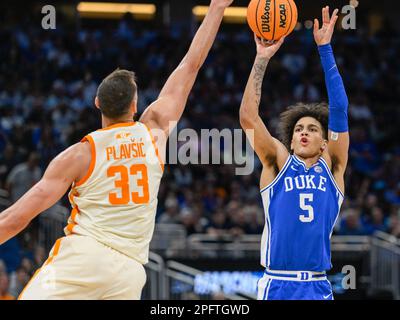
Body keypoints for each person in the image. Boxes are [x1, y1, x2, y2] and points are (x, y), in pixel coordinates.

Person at [0, 0, 234, 300]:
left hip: (84, 258)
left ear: (97, 103)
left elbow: (18, 218)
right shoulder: (154, 133)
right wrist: (216, 8)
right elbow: (191, 65)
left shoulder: (79, 154)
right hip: (129, 270)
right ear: (135, 106)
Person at [240, 7, 349, 300]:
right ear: (290, 141)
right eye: (299, 128)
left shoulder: (333, 167)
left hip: (318, 285)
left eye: (313, 129)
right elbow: (248, 118)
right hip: (277, 283)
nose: (303, 132)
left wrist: (325, 49)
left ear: (325, 143)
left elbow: (339, 110)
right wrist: (261, 59)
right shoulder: (277, 162)